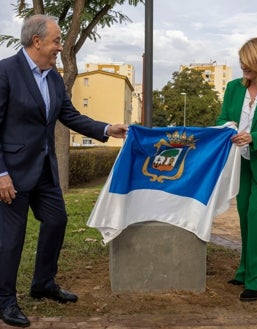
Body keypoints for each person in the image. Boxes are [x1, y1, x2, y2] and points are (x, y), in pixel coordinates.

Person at [0, 14, 128, 328]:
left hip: (44, 170)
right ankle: (4, 301)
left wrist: (107, 128)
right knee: (11, 239)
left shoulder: (54, 77)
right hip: (11, 174)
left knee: (57, 220)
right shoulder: (5, 72)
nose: (60, 47)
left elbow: (69, 115)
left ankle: (43, 283)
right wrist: (0, 174)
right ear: (37, 41)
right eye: (57, 41)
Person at [216, 37, 257, 302]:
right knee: (244, 215)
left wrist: (255, 137)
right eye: (241, 62)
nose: (243, 66)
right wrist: (229, 127)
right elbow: (221, 119)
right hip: (240, 162)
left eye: (249, 63)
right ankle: (245, 270)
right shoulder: (233, 88)